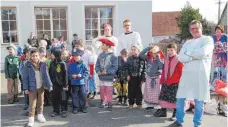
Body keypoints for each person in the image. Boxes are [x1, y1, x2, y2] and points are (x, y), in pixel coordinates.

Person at [168, 20, 214, 127]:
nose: (194, 30)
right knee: (180, 98)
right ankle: (179, 121)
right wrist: (193, 56)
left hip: (200, 75)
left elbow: (203, 53)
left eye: (196, 28)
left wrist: (188, 54)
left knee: (199, 102)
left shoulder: (207, 40)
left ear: (200, 28)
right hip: (187, 75)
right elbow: (180, 57)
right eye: (192, 29)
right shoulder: (188, 42)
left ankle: (197, 124)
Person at [23, 48, 53, 127]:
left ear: (39, 56)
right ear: (30, 56)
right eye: (33, 56)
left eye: (36, 56)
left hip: (41, 87)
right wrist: (25, 88)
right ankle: (31, 119)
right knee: (32, 104)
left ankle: (40, 115)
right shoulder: (27, 65)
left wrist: (49, 85)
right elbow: (25, 78)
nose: (35, 57)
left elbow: (46, 76)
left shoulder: (43, 64)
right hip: (32, 88)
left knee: (40, 103)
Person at [153, 43, 183, 121]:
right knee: (163, 96)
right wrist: (162, 79)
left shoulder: (179, 59)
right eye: (168, 50)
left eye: (171, 50)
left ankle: (175, 114)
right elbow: (164, 70)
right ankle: (163, 111)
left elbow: (179, 72)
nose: (169, 52)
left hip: (175, 83)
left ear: (175, 50)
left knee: (174, 99)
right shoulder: (166, 59)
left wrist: (171, 80)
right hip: (166, 81)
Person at [95, 38, 118, 111]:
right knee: (102, 89)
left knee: (109, 90)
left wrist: (107, 72)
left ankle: (109, 102)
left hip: (109, 77)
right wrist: (98, 70)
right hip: (101, 77)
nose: (102, 46)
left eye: (103, 45)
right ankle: (103, 101)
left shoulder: (113, 56)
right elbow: (97, 65)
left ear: (108, 46)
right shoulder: (100, 55)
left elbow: (115, 67)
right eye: (102, 45)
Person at [139, 45, 164, 111]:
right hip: (149, 77)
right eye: (153, 52)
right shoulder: (148, 59)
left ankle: (157, 105)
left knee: (156, 93)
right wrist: (148, 48)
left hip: (156, 78)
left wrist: (158, 58)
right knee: (149, 92)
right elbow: (141, 54)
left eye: (156, 52)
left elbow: (161, 66)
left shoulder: (160, 59)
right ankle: (150, 105)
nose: (154, 54)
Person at [68, 49, 89, 114]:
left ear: (80, 56)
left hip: (81, 83)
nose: (75, 57)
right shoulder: (71, 65)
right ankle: (75, 107)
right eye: (74, 56)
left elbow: (86, 72)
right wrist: (72, 76)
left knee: (82, 95)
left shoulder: (83, 64)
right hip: (74, 83)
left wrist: (82, 75)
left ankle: (83, 107)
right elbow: (68, 73)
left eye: (77, 56)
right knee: (75, 96)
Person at [49, 47, 68, 118]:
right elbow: (50, 73)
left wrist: (65, 85)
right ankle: (56, 110)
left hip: (61, 84)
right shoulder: (52, 63)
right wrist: (50, 83)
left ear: (57, 54)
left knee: (63, 98)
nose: (52, 55)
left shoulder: (62, 63)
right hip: (54, 84)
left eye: (53, 53)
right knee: (54, 98)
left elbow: (65, 75)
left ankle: (64, 111)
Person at [125, 44, 146, 109]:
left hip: (139, 77)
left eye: (135, 49)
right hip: (131, 77)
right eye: (132, 49)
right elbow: (126, 68)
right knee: (131, 91)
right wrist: (127, 75)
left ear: (138, 50)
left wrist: (143, 79)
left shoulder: (142, 59)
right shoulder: (129, 58)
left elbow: (144, 69)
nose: (133, 51)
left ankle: (139, 103)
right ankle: (131, 103)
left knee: (138, 91)